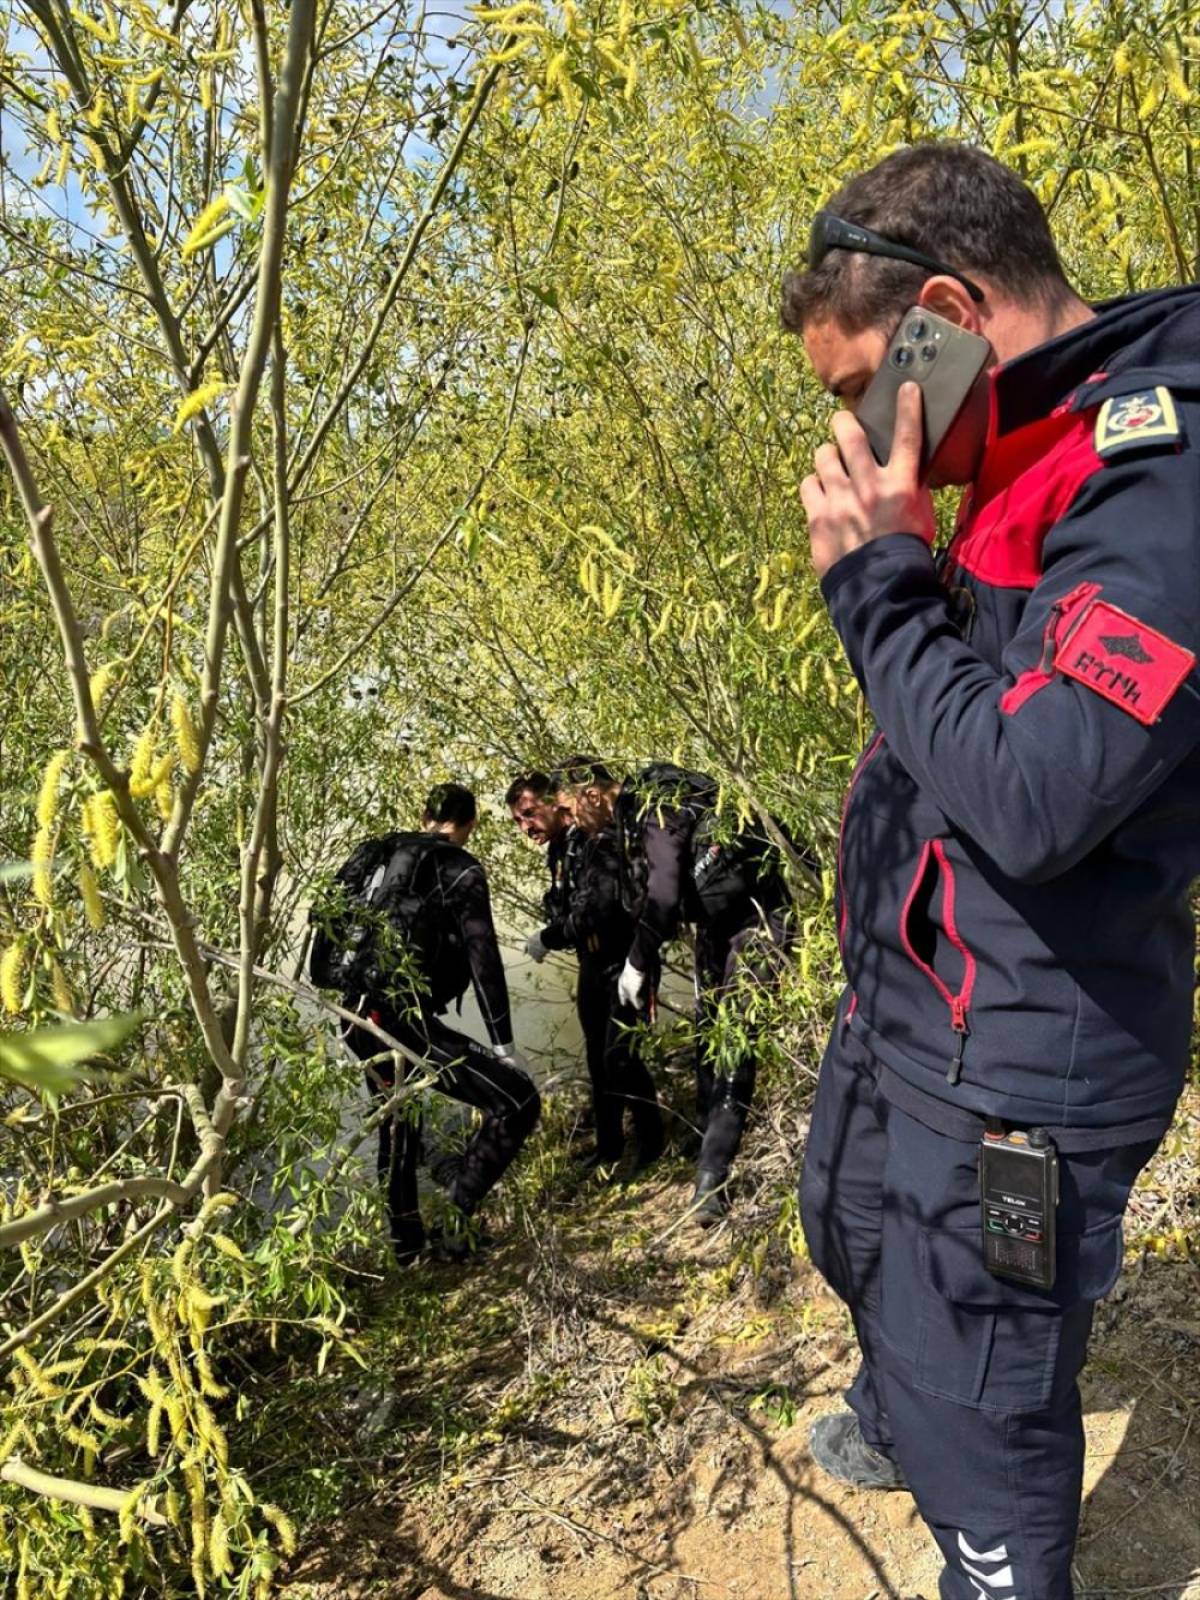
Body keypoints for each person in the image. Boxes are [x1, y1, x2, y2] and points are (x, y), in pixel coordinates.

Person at [782, 140, 1200, 1599]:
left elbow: (1037, 797)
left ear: (948, 315)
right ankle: (908, 1405)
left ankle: (992, 1544)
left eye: (854, 387)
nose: (849, 427)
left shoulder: (1155, 479)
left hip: (1024, 1064)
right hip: (919, 1010)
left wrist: (877, 583)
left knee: (989, 1402)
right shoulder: (1018, 437)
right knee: (847, 1224)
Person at [554, 757, 795, 1222]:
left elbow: (663, 895)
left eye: (569, 810)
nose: (571, 822)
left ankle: (711, 1179)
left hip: (759, 919)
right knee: (709, 1033)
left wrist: (638, 964)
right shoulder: (633, 813)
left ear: (591, 793)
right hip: (718, 923)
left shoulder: (651, 807)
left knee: (734, 1041)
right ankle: (706, 1142)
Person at [310, 782, 540, 1264]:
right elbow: (483, 959)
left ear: (423, 815)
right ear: (471, 824)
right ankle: (455, 1227)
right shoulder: (460, 869)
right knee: (516, 1101)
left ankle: (407, 1250)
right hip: (401, 1020)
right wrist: (502, 1044)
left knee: (400, 1122)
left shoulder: (375, 852)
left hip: (354, 1015)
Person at [506, 771, 664, 1174]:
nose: (526, 828)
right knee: (598, 1059)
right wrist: (557, 922)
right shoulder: (559, 849)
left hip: (625, 961)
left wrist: (551, 934)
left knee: (620, 1057)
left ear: (553, 802)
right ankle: (609, 1147)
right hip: (591, 965)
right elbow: (566, 904)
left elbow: (599, 908)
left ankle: (652, 1142)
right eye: (517, 822)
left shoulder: (593, 836)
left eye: (529, 814)